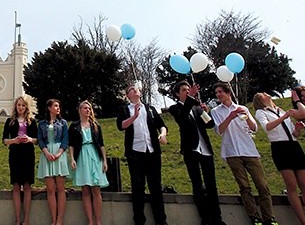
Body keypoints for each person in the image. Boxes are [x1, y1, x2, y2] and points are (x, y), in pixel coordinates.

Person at [210, 82, 278, 225]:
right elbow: (219, 131)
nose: (218, 95)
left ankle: (269, 217)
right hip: (232, 152)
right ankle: (254, 217)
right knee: (244, 187)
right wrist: (230, 116)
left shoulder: (243, 108)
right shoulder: (216, 111)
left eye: (220, 92)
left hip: (249, 151)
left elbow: (254, 128)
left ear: (228, 93)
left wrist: (246, 117)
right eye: (216, 93)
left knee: (262, 185)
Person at [253, 91, 305, 225]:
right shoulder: (261, 112)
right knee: (292, 185)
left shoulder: (281, 110)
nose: (266, 94)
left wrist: (298, 129)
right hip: (280, 148)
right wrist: (285, 116)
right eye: (262, 94)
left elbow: (294, 133)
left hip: (294, 146)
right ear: (260, 100)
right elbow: (267, 128)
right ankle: (303, 222)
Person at [168, 81, 226, 225]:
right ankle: (205, 218)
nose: (187, 92)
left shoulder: (196, 108)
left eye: (188, 90)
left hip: (205, 149)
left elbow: (210, 124)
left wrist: (206, 111)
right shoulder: (175, 108)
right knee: (197, 184)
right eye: (183, 90)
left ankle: (217, 218)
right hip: (190, 149)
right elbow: (182, 120)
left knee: (211, 185)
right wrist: (191, 99)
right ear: (177, 94)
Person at [116, 84, 168, 225]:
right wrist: (134, 116)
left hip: (152, 151)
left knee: (155, 186)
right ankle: (139, 220)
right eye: (132, 90)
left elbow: (161, 124)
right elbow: (121, 126)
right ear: (128, 95)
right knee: (138, 187)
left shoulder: (149, 108)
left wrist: (162, 134)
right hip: (135, 153)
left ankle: (161, 220)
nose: (136, 91)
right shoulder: (124, 109)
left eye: (137, 89)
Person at [69, 100, 108, 225]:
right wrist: (72, 159)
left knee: (96, 189)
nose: (88, 110)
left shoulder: (95, 125)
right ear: (80, 110)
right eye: (85, 108)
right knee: (85, 190)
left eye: (89, 108)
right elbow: (71, 145)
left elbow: (101, 144)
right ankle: (90, 221)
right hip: (81, 156)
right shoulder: (74, 126)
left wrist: (104, 160)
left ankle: (98, 221)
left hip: (94, 156)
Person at [2, 96, 38, 225]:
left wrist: (29, 139)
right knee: (16, 186)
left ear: (26, 107)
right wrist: (14, 141)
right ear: (15, 107)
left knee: (27, 185)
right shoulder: (10, 121)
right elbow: (4, 140)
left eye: (23, 105)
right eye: (19, 105)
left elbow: (37, 139)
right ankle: (17, 219)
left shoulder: (31, 121)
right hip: (15, 154)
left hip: (28, 154)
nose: (21, 108)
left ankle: (26, 219)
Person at [37, 98, 70, 225]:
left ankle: (60, 220)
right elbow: (40, 140)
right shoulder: (41, 124)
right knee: (50, 189)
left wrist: (59, 153)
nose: (58, 108)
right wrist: (46, 152)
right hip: (47, 153)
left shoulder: (63, 123)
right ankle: (53, 219)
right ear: (49, 108)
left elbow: (65, 140)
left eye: (59, 106)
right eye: (55, 106)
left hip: (59, 153)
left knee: (61, 188)